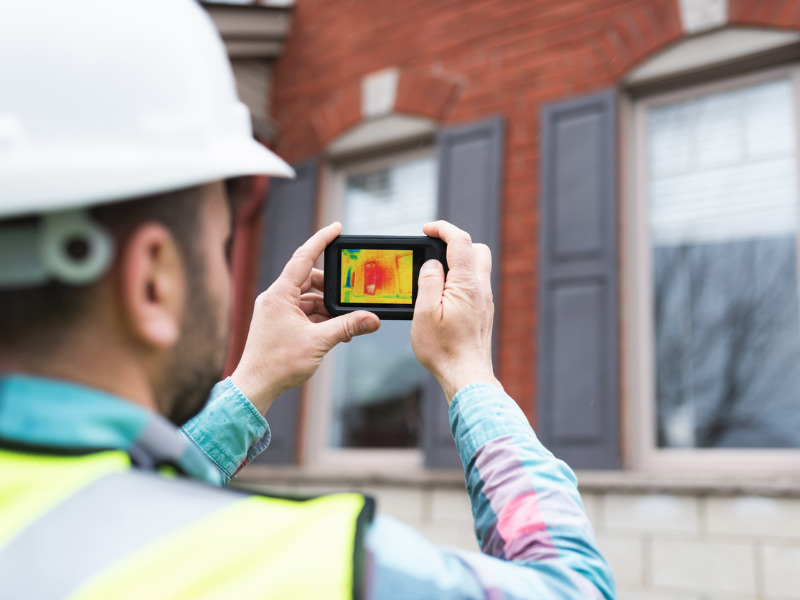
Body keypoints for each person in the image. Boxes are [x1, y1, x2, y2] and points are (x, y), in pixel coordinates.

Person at [0, 0, 616, 598]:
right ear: (152, 282)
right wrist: (470, 374)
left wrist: (254, 381)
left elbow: (113, 494)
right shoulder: (309, 566)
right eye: (220, 247)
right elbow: (575, 590)